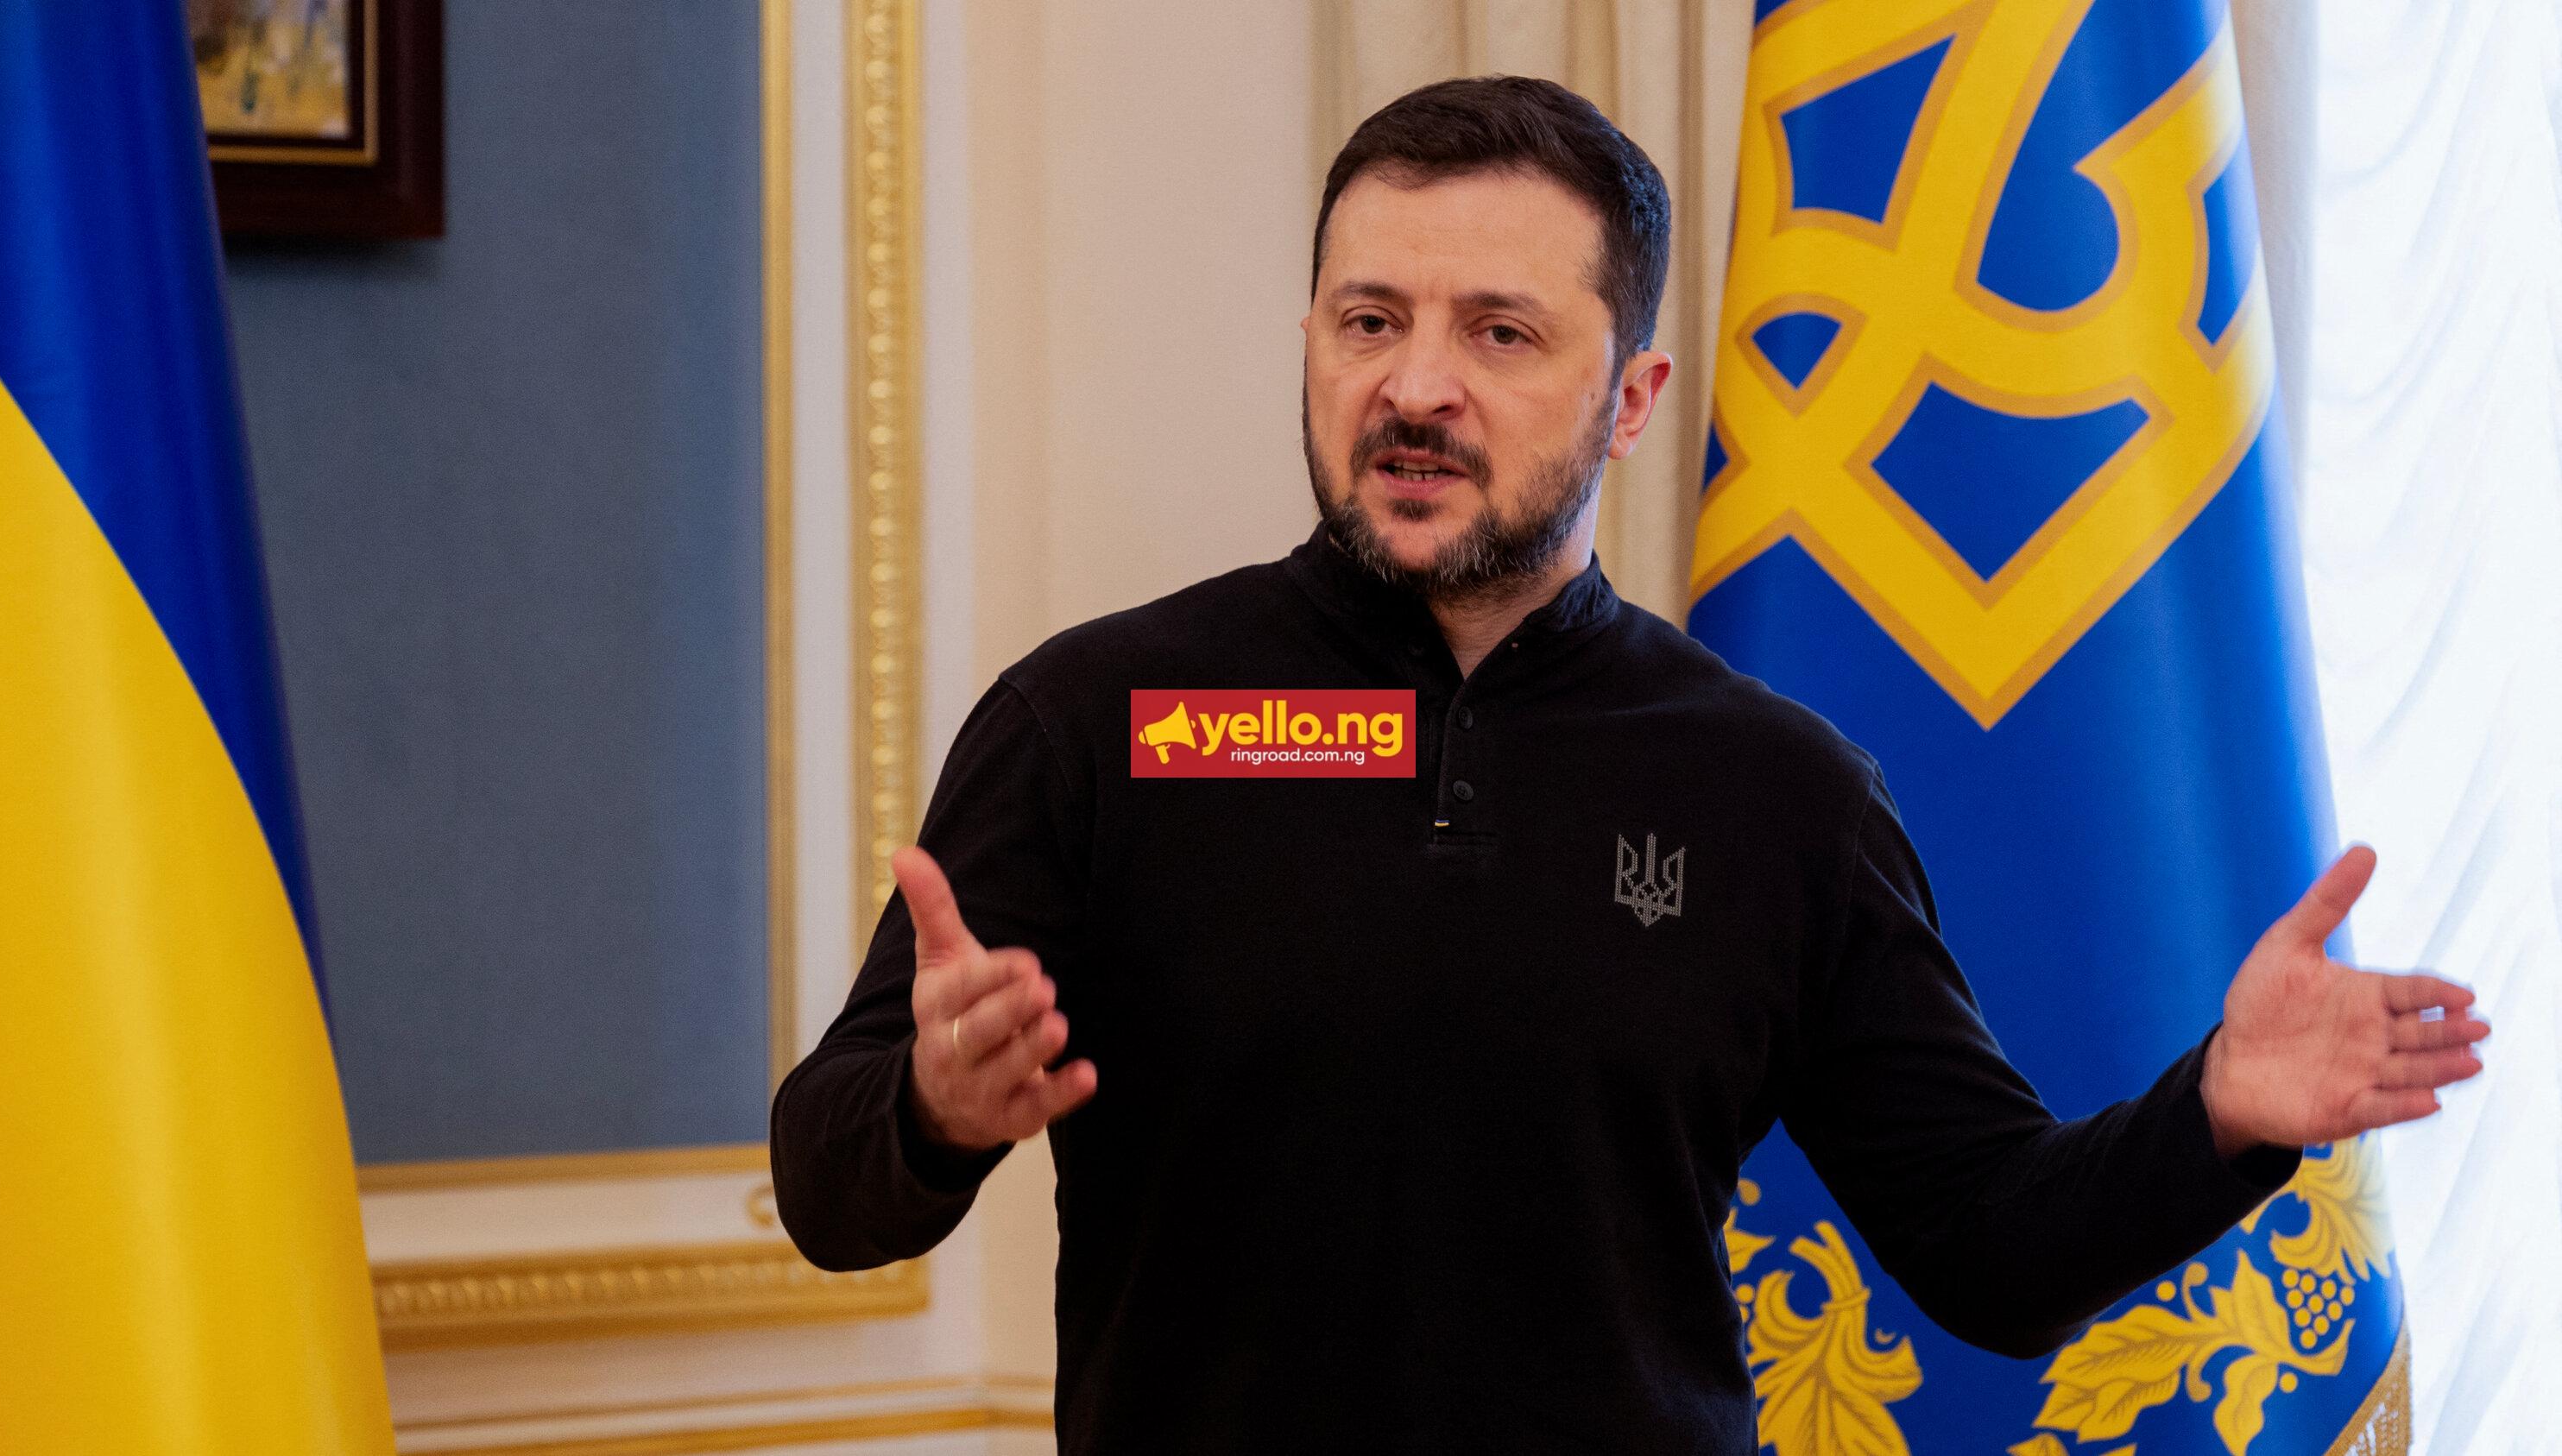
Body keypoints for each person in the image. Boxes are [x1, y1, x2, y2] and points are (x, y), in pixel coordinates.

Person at [769, 76, 2486, 1453]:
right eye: (1368, 320)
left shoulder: (1779, 792)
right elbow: (827, 1188)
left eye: (1499, 333)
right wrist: (928, 1109)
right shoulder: (1097, 719)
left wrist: (2215, 1113)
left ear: (1636, 394)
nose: (1415, 386)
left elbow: (1988, 1245)